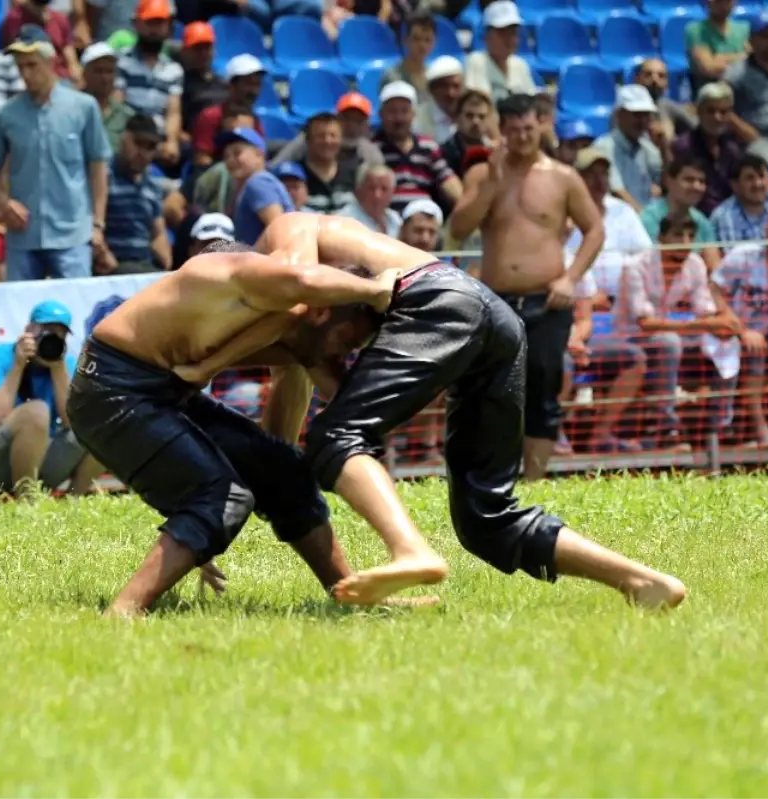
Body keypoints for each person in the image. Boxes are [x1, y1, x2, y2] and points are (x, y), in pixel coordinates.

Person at [176, 213, 687, 611]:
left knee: (335, 437)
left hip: (436, 300)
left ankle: (412, 551)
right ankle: (642, 581)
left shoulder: (283, 236)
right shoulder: (299, 333)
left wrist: (212, 360)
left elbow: (300, 282)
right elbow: (279, 444)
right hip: (492, 321)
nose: (346, 347)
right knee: (486, 521)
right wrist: (223, 528)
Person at [65, 244, 404, 618]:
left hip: (162, 393)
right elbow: (306, 278)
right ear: (322, 308)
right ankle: (124, 610)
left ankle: (350, 594)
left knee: (283, 470)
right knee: (222, 494)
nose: (343, 354)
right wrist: (378, 287)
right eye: (345, 343)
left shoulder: (291, 325)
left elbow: (340, 393)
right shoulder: (247, 274)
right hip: (111, 390)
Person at [448, 93, 606, 480]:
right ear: (501, 131)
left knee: (542, 390)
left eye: (529, 129)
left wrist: (571, 277)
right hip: (497, 299)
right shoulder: (482, 174)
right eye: (514, 130)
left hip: (547, 300)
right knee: (490, 389)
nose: (521, 137)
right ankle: (490, 474)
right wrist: (493, 183)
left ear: (541, 127)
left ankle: (534, 479)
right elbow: (457, 229)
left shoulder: (562, 177)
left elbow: (594, 230)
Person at [0, 301, 102, 497]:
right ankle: (26, 502)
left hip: (41, 459)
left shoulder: (66, 364)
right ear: (29, 330)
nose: (53, 338)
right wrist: (18, 366)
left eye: (60, 333)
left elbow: (74, 421)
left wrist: (57, 368)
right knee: (37, 411)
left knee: (100, 425)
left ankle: (73, 500)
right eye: (47, 331)